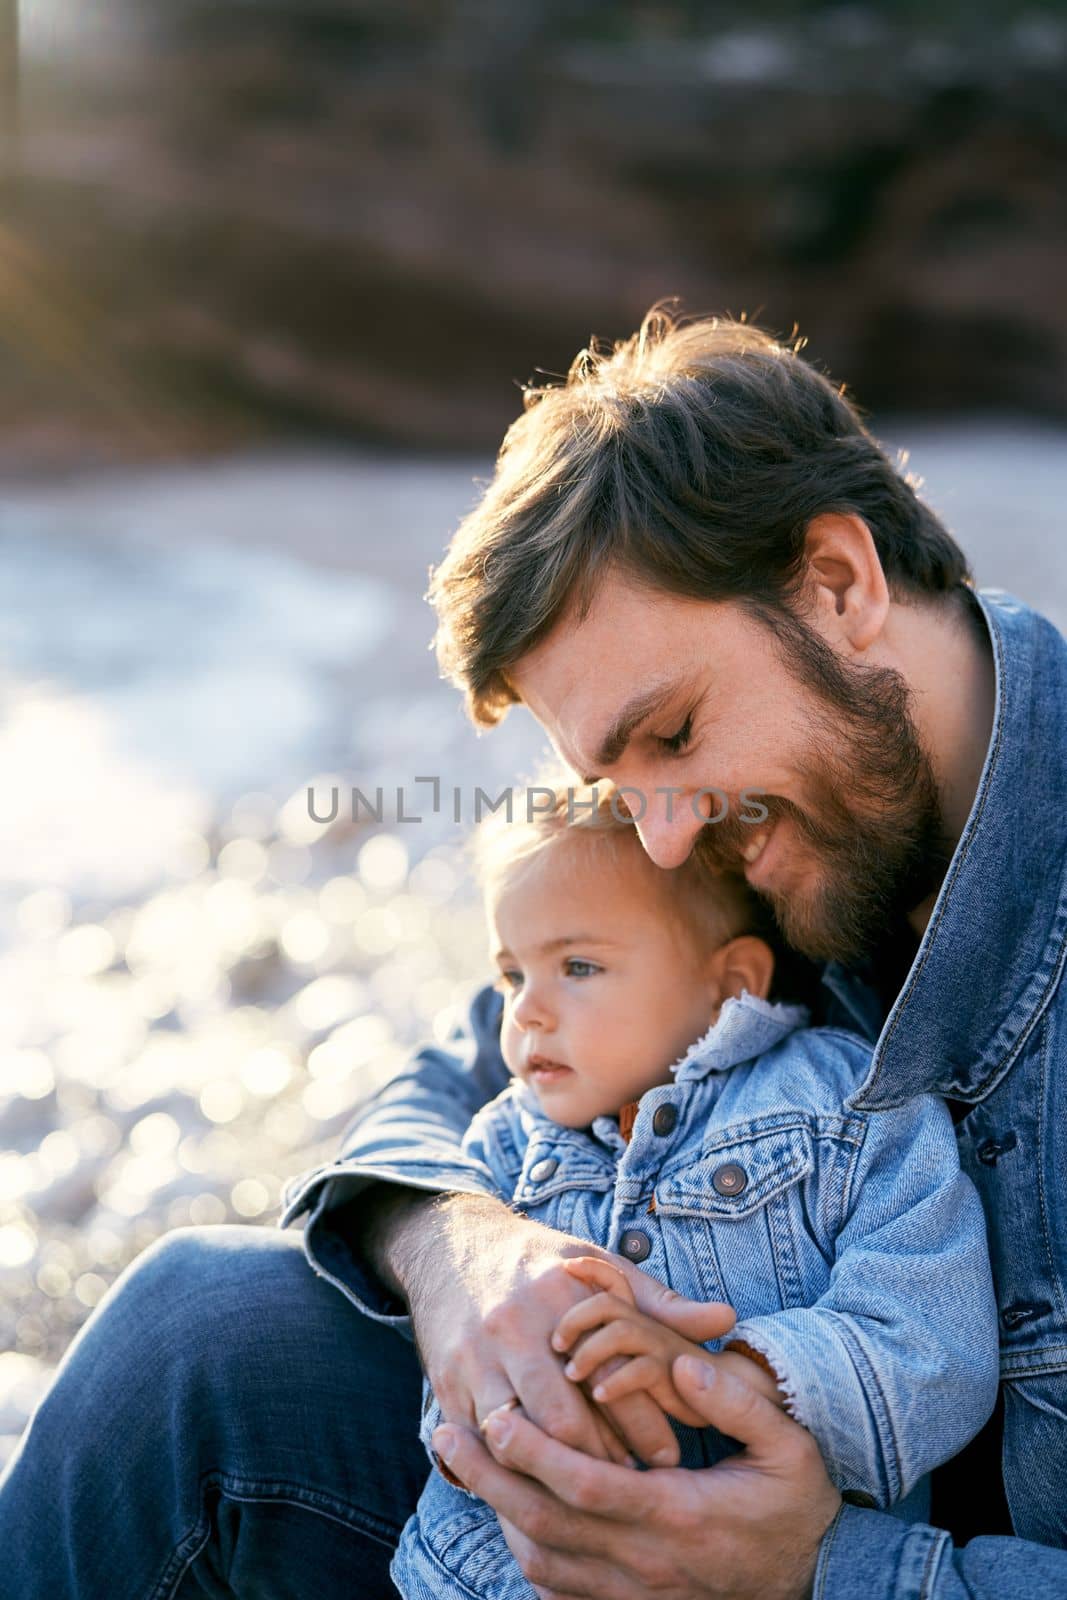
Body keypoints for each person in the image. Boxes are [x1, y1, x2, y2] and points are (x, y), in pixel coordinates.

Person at [2, 305, 1065, 1599]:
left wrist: (817, 1571)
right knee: (199, 1338)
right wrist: (462, 1256)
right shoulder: (764, 832)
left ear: (836, 583)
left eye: (670, 733)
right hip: (620, 1510)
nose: (664, 842)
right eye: (613, 782)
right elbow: (451, 1079)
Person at [391, 775, 998, 1600]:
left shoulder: (844, 1104)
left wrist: (736, 1380)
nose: (526, 1010)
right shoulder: (503, 1141)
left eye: (577, 965)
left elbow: (933, 1337)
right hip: (504, 1574)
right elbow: (457, 1378)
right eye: (509, 975)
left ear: (732, 982)